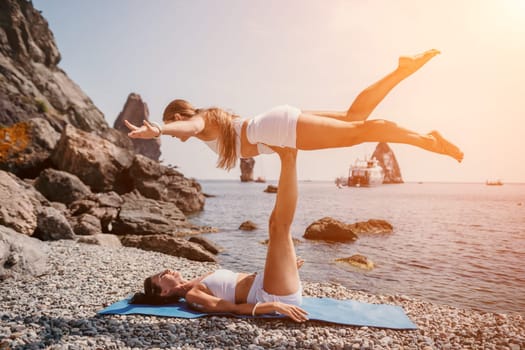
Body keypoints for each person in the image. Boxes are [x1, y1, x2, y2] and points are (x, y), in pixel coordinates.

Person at [125, 49, 463, 170]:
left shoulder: (203, 119)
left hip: (278, 129)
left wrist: (160, 129)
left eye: (173, 121)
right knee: (354, 119)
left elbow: (190, 128)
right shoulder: (212, 121)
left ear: (180, 116)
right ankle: (402, 70)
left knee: (360, 132)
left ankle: (427, 141)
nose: (175, 128)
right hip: (275, 123)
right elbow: (193, 131)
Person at [131, 147, 309, 323]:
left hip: (270, 283)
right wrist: (275, 306)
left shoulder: (195, 282)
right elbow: (234, 309)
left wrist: (284, 269)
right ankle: (288, 155)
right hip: (273, 295)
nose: (167, 270)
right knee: (278, 227)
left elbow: (238, 284)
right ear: (164, 292)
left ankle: (289, 155)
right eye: (162, 276)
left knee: (276, 223)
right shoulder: (193, 296)